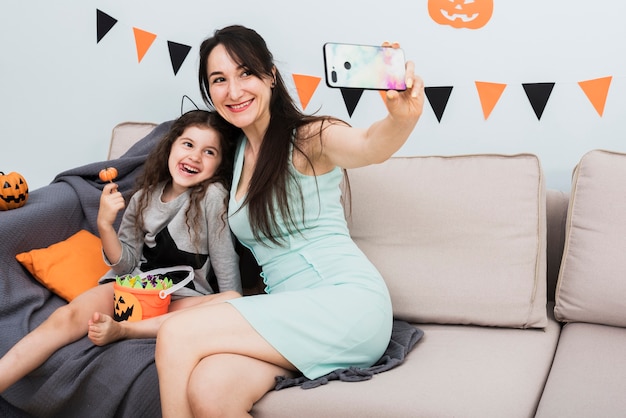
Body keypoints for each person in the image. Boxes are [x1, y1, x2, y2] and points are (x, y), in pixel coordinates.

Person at [154, 24, 425, 417]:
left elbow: (369, 146)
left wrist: (402, 119)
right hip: (292, 314)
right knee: (210, 388)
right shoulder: (237, 152)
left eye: (245, 72)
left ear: (271, 75)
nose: (234, 90)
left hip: (347, 304)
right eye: (219, 79)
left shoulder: (310, 137)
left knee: (177, 334)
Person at [0, 109, 242, 393]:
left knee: (232, 299)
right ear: (172, 145)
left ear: (220, 164)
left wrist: (235, 310)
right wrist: (104, 224)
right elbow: (125, 265)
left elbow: (226, 262)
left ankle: (124, 330)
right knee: (64, 318)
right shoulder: (142, 197)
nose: (195, 156)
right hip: (131, 288)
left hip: (177, 299)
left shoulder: (213, 197)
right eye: (188, 144)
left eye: (209, 152)